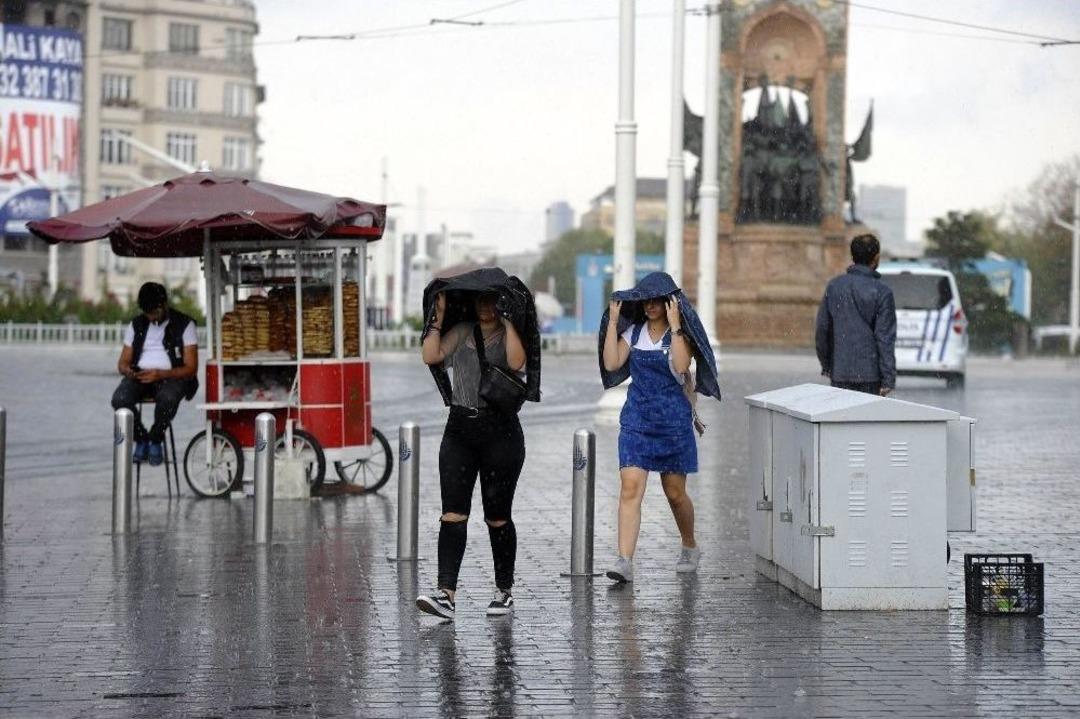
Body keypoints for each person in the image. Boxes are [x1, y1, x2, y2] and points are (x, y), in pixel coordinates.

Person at [416, 268, 540, 620]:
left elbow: (518, 363)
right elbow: (431, 355)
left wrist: (510, 320)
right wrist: (437, 316)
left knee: (497, 517)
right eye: (480, 300)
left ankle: (504, 591)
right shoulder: (462, 331)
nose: (485, 307)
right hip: (459, 430)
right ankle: (446, 594)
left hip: (501, 433)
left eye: (491, 300)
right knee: (452, 514)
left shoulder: (506, 334)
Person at [598, 271, 721, 584]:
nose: (650, 305)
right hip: (637, 419)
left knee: (675, 493)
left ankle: (690, 546)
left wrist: (677, 326)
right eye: (645, 300)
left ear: (669, 302)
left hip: (673, 422)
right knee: (630, 487)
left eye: (657, 300)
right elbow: (612, 364)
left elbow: (681, 366)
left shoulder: (681, 336)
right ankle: (624, 560)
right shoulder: (634, 333)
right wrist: (613, 324)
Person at [111, 282, 199, 466]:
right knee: (119, 400)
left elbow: (191, 368)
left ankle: (156, 438)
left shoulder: (184, 324)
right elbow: (122, 363)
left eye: (155, 312)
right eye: (147, 313)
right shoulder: (137, 324)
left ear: (164, 304)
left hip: (173, 376)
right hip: (141, 375)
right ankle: (142, 438)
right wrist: (129, 371)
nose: (151, 317)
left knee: (167, 399)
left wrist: (161, 374)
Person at [815, 234, 897, 396]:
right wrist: (888, 378)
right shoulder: (882, 292)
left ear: (853, 256)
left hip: (840, 371)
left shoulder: (834, 286)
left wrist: (827, 365)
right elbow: (885, 339)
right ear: (876, 258)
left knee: (841, 419)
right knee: (866, 419)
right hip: (870, 375)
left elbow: (823, 330)